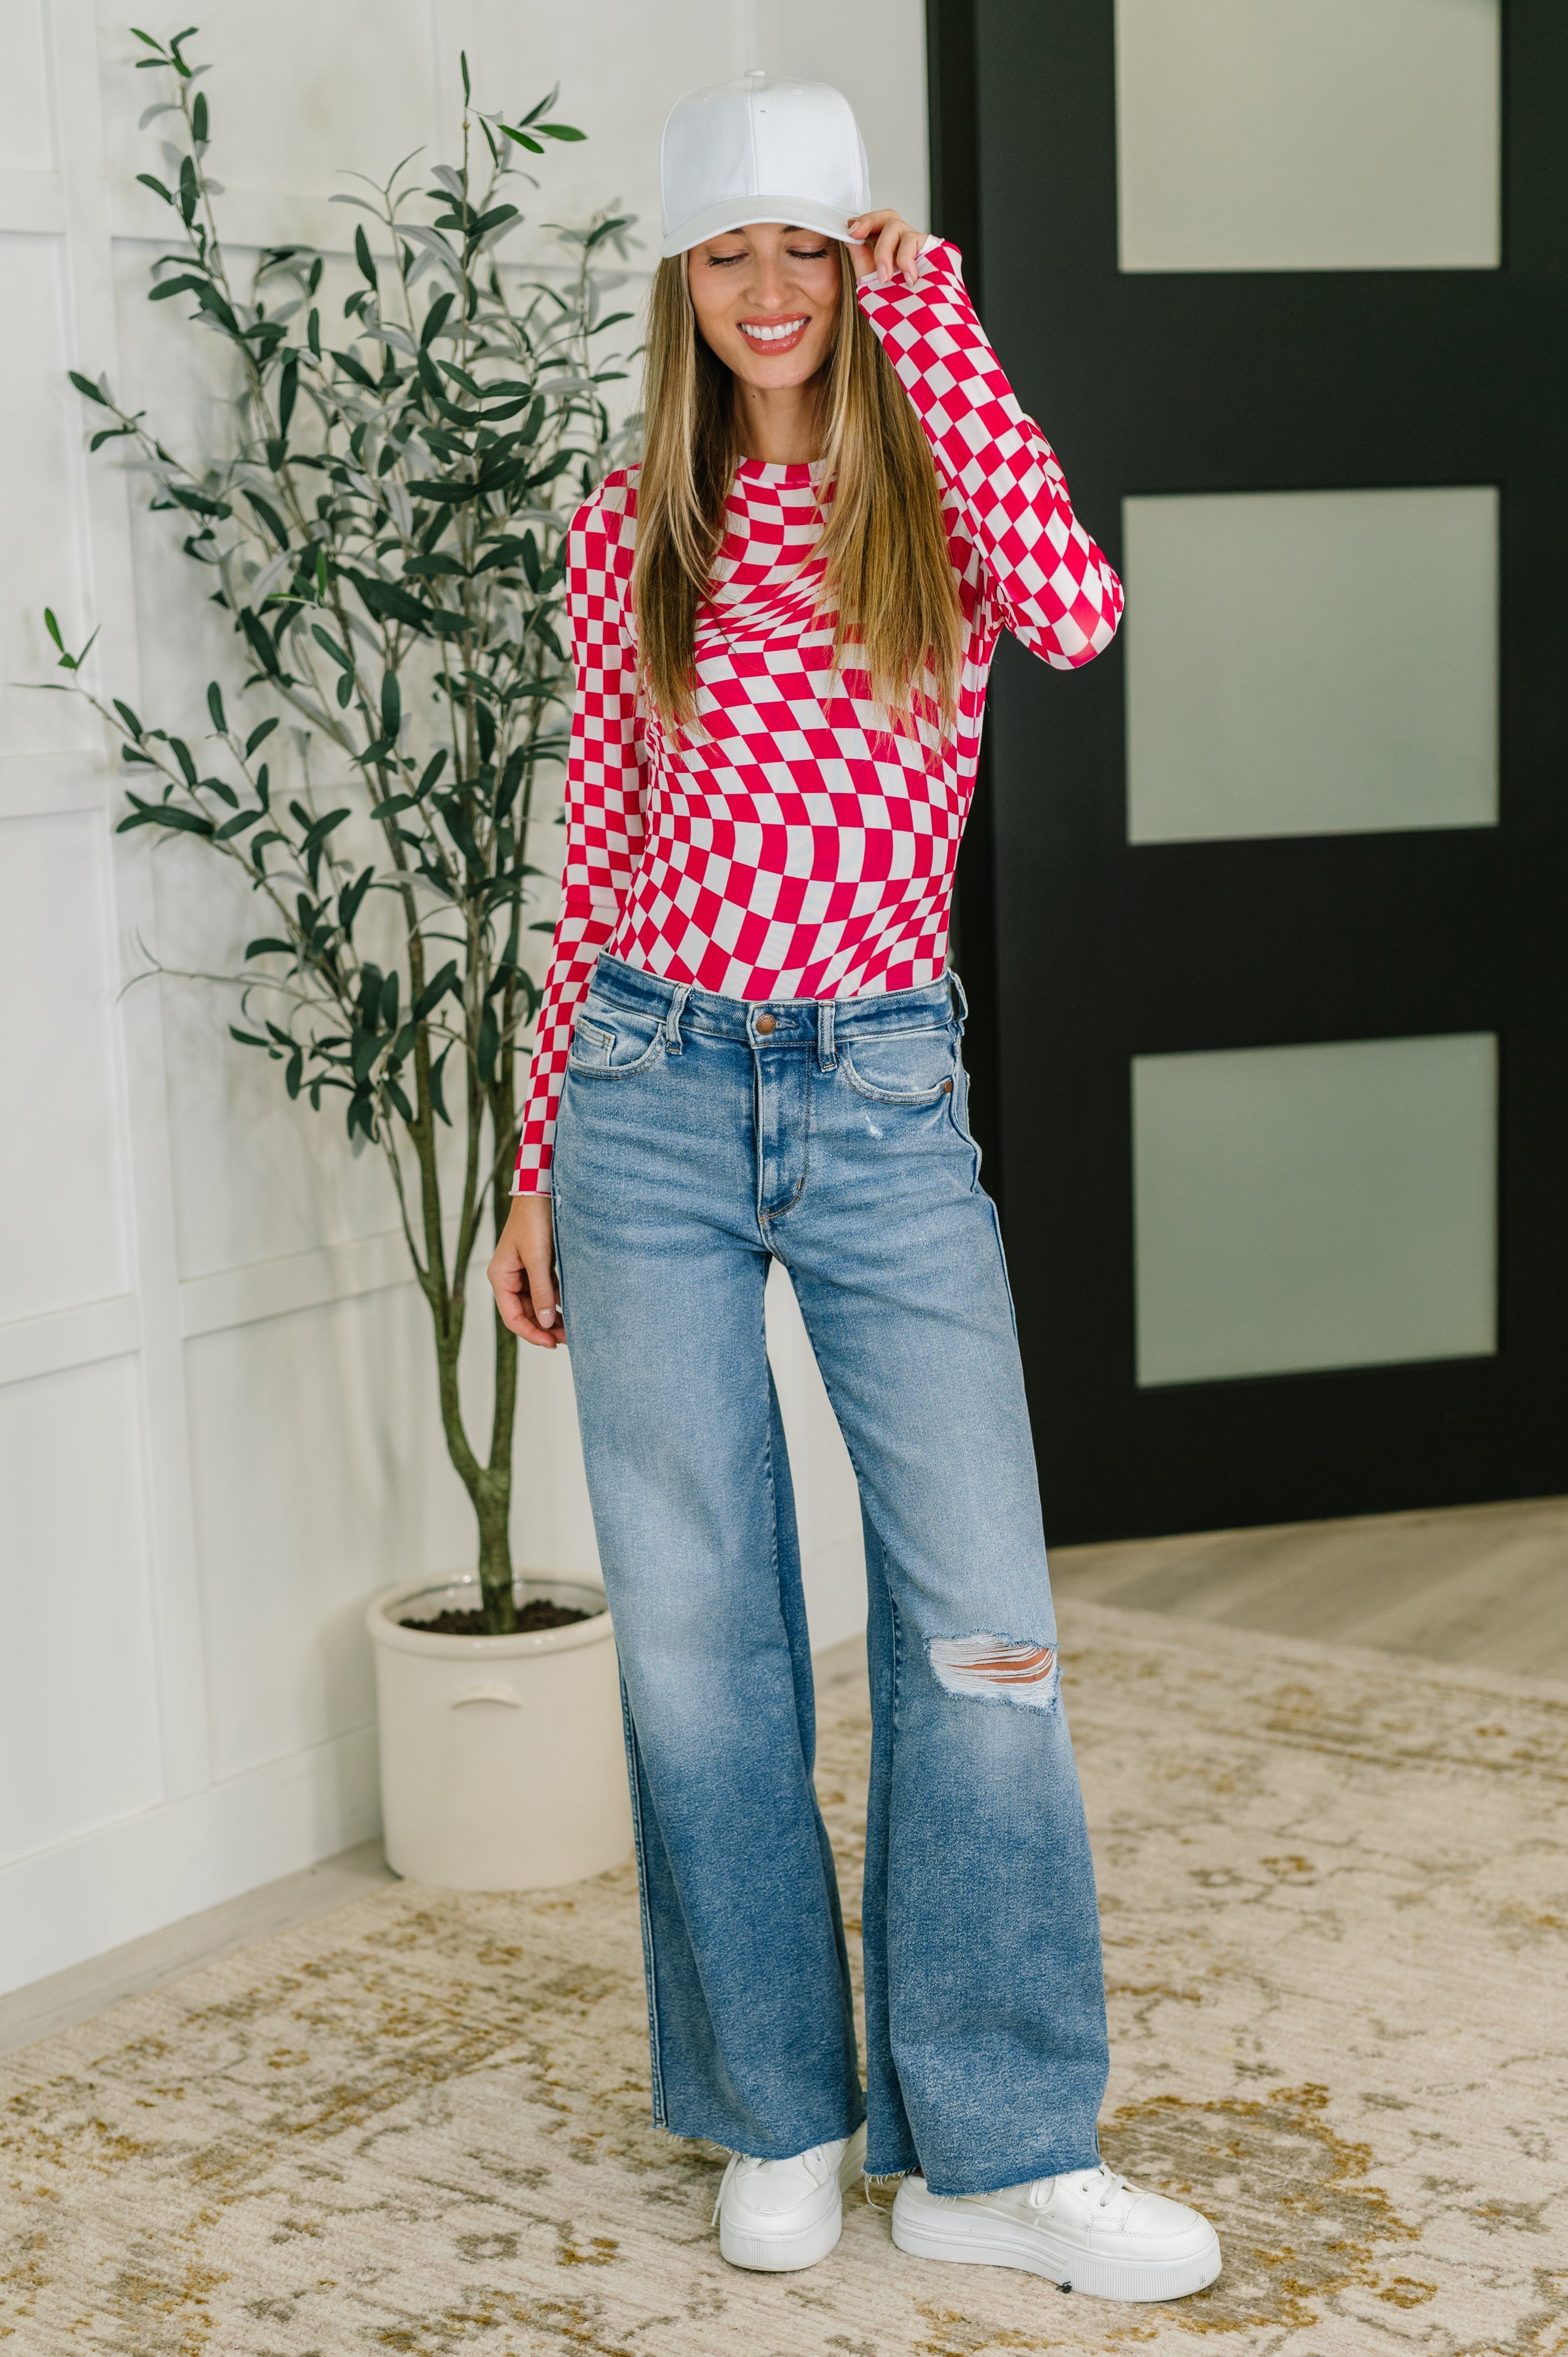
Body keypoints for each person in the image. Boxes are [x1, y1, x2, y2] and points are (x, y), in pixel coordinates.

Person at [488, 71, 1221, 2306]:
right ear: (680, 285)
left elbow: (1083, 615)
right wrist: (534, 1155)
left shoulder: (939, 504)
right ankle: (776, 2112)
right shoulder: (635, 528)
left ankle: (996, 2152)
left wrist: (938, 316)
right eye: (728, 253)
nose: (769, 290)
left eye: (807, 247)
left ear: (859, 263)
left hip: (884, 1095)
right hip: (647, 1092)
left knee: (980, 1621)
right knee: (700, 1637)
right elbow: (600, 853)